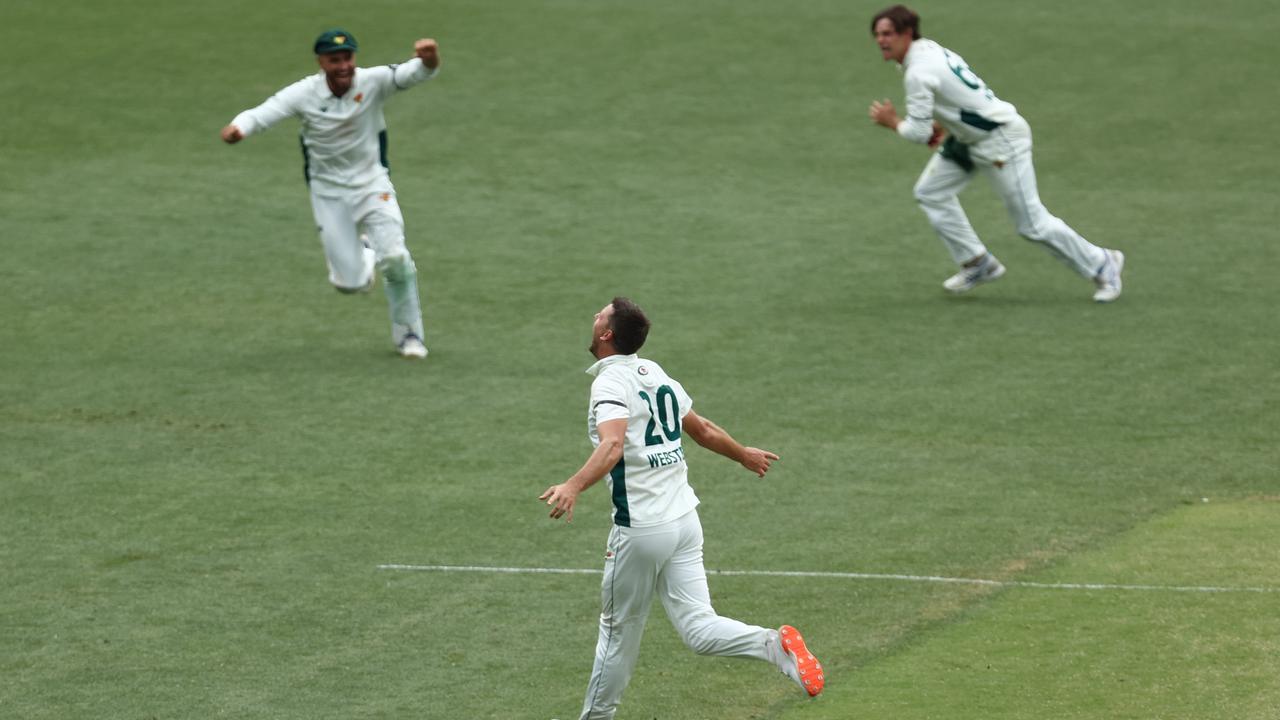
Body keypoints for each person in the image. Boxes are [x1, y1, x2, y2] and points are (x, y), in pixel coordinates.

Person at [539, 297, 824, 720]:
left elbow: (613, 445)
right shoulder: (652, 372)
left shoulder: (610, 384)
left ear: (606, 334)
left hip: (641, 529)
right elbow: (703, 429)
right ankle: (772, 645)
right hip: (684, 521)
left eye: (599, 314)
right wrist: (742, 454)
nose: (594, 316)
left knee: (617, 634)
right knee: (699, 629)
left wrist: (573, 485)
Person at [867, 5, 1125, 302]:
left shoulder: (918, 71)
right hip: (968, 138)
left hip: (1000, 141)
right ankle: (978, 263)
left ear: (907, 33)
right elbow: (956, 97)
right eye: (877, 35)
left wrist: (892, 122)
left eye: (887, 34)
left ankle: (1103, 263)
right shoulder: (928, 51)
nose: (881, 40)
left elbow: (919, 133)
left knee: (1031, 223)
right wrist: (944, 122)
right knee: (930, 192)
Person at [221, 29, 441, 358]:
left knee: (396, 260)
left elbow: (415, 72)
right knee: (349, 285)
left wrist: (429, 59)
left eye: (347, 58)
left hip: (372, 185)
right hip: (329, 195)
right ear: (321, 61)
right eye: (334, 60)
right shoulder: (304, 93)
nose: (342, 66)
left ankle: (409, 335)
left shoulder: (373, 81)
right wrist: (239, 128)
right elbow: (263, 113)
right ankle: (365, 253)